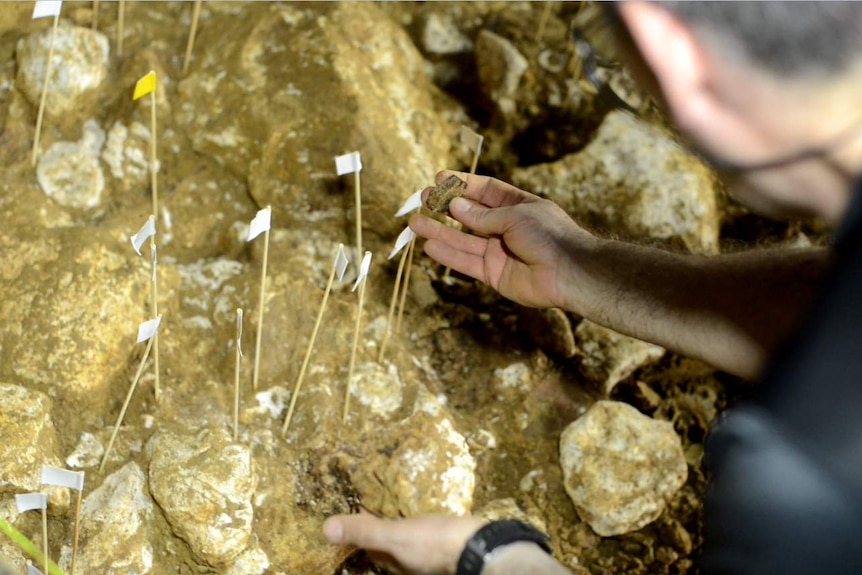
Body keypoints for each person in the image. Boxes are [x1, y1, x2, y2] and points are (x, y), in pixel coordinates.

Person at [323, 2, 862, 574]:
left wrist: (492, 557)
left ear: (671, 57)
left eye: (617, 55)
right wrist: (581, 266)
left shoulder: (805, 482)